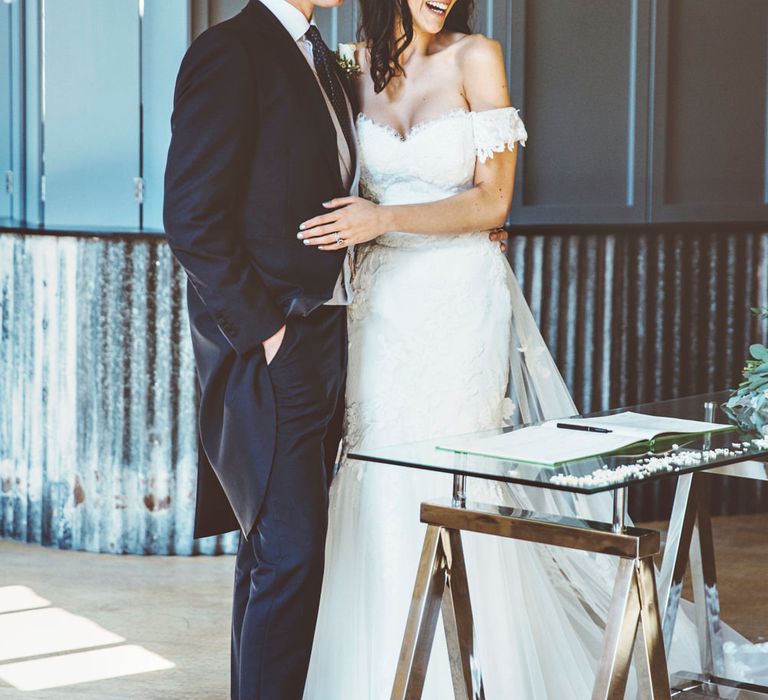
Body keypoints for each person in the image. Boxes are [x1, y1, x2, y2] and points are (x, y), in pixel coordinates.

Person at [300, 0, 708, 697]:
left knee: (457, 465)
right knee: (376, 463)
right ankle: (372, 671)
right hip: (378, 303)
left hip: (459, 296)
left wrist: (385, 218)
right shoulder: (344, 64)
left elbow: (494, 204)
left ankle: (485, 672)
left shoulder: (477, 56)